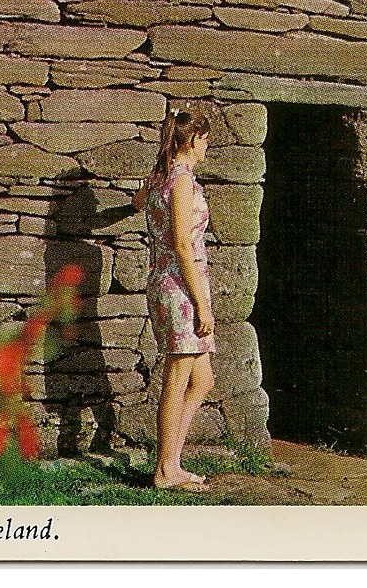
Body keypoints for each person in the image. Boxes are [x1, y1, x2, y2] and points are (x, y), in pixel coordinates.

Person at [136, 109, 216, 492]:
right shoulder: (181, 182)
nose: (207, 146)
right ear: (192, 140)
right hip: (180, 287)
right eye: (204, 139)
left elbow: (138, 203)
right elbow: (183, 243)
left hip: (167, 281)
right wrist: (201, 304)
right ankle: (166, 469)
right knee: (177, 378)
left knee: (203, 380)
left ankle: (173, 460)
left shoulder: (157, 178)